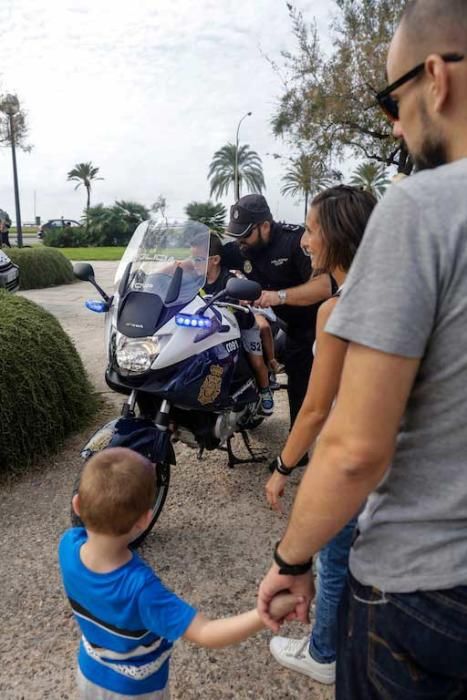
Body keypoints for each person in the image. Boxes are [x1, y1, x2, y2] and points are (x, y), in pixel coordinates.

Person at [257, 1, 467, 697]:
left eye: (391, 97)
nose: (393, 121)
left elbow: (352, 446)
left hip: (428, 591)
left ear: (434, 78)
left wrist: (290, 558)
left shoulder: (422, 206)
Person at [59, 447, 299, 700]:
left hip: (88, 674)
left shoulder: (68, 545)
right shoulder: (141, 590)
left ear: (77, 504)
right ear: (144, 520)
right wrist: (266, 613)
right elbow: (207, 633)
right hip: (136, 691)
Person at [263, 185, 376, 685]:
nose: (304, 241)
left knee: (331, 560)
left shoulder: (339, 310)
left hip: (349, 455)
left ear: (333, 236)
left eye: (310, 230)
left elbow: (314, 410)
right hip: (390, 458)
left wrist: (283, 467)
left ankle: (324, 653)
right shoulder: (396, 294)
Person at [223, 194, 333, 437]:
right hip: (290, 324)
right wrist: (179, 267)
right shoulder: (244, 246)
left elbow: (325, 284)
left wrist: (278, 296)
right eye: (237, 235)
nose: (241, 242)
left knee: (305, 382)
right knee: (290, 374)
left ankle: (302, 445)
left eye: (246, 234)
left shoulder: (294, 242)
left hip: (317, 325)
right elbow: (211, 256)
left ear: (264, 226)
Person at [192, 233, 274, 415]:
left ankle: (265, 389)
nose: (194, 263)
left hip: (242, 325)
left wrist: (244, 299)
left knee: (256, 360)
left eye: (198, 259)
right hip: (215, 328)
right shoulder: (197, 280)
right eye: (193, 258)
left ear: (215, 260)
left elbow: (246, 293)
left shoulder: (229, 281)